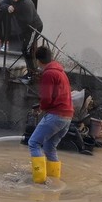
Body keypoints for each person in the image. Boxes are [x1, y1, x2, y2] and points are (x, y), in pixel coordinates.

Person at [28, 46, 74, 184]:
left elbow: (47, 98)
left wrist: (42, 107)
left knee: (34, 143)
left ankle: (39, 182)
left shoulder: (48, 74)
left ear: (38, 60)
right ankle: (54, 180)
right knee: (49, 146)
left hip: (56, 115)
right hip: (67, 117)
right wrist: (43, 106)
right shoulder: (60, 72)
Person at [0, 0, 43, 83]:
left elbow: (28, 20)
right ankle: (32, 72)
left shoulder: (26, 3)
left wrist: (14, 10)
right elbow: (2, 4)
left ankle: (32, 74)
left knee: (26, 49)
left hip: (34, 27)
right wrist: (7, 7)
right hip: (25, 29)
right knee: (27, 49)